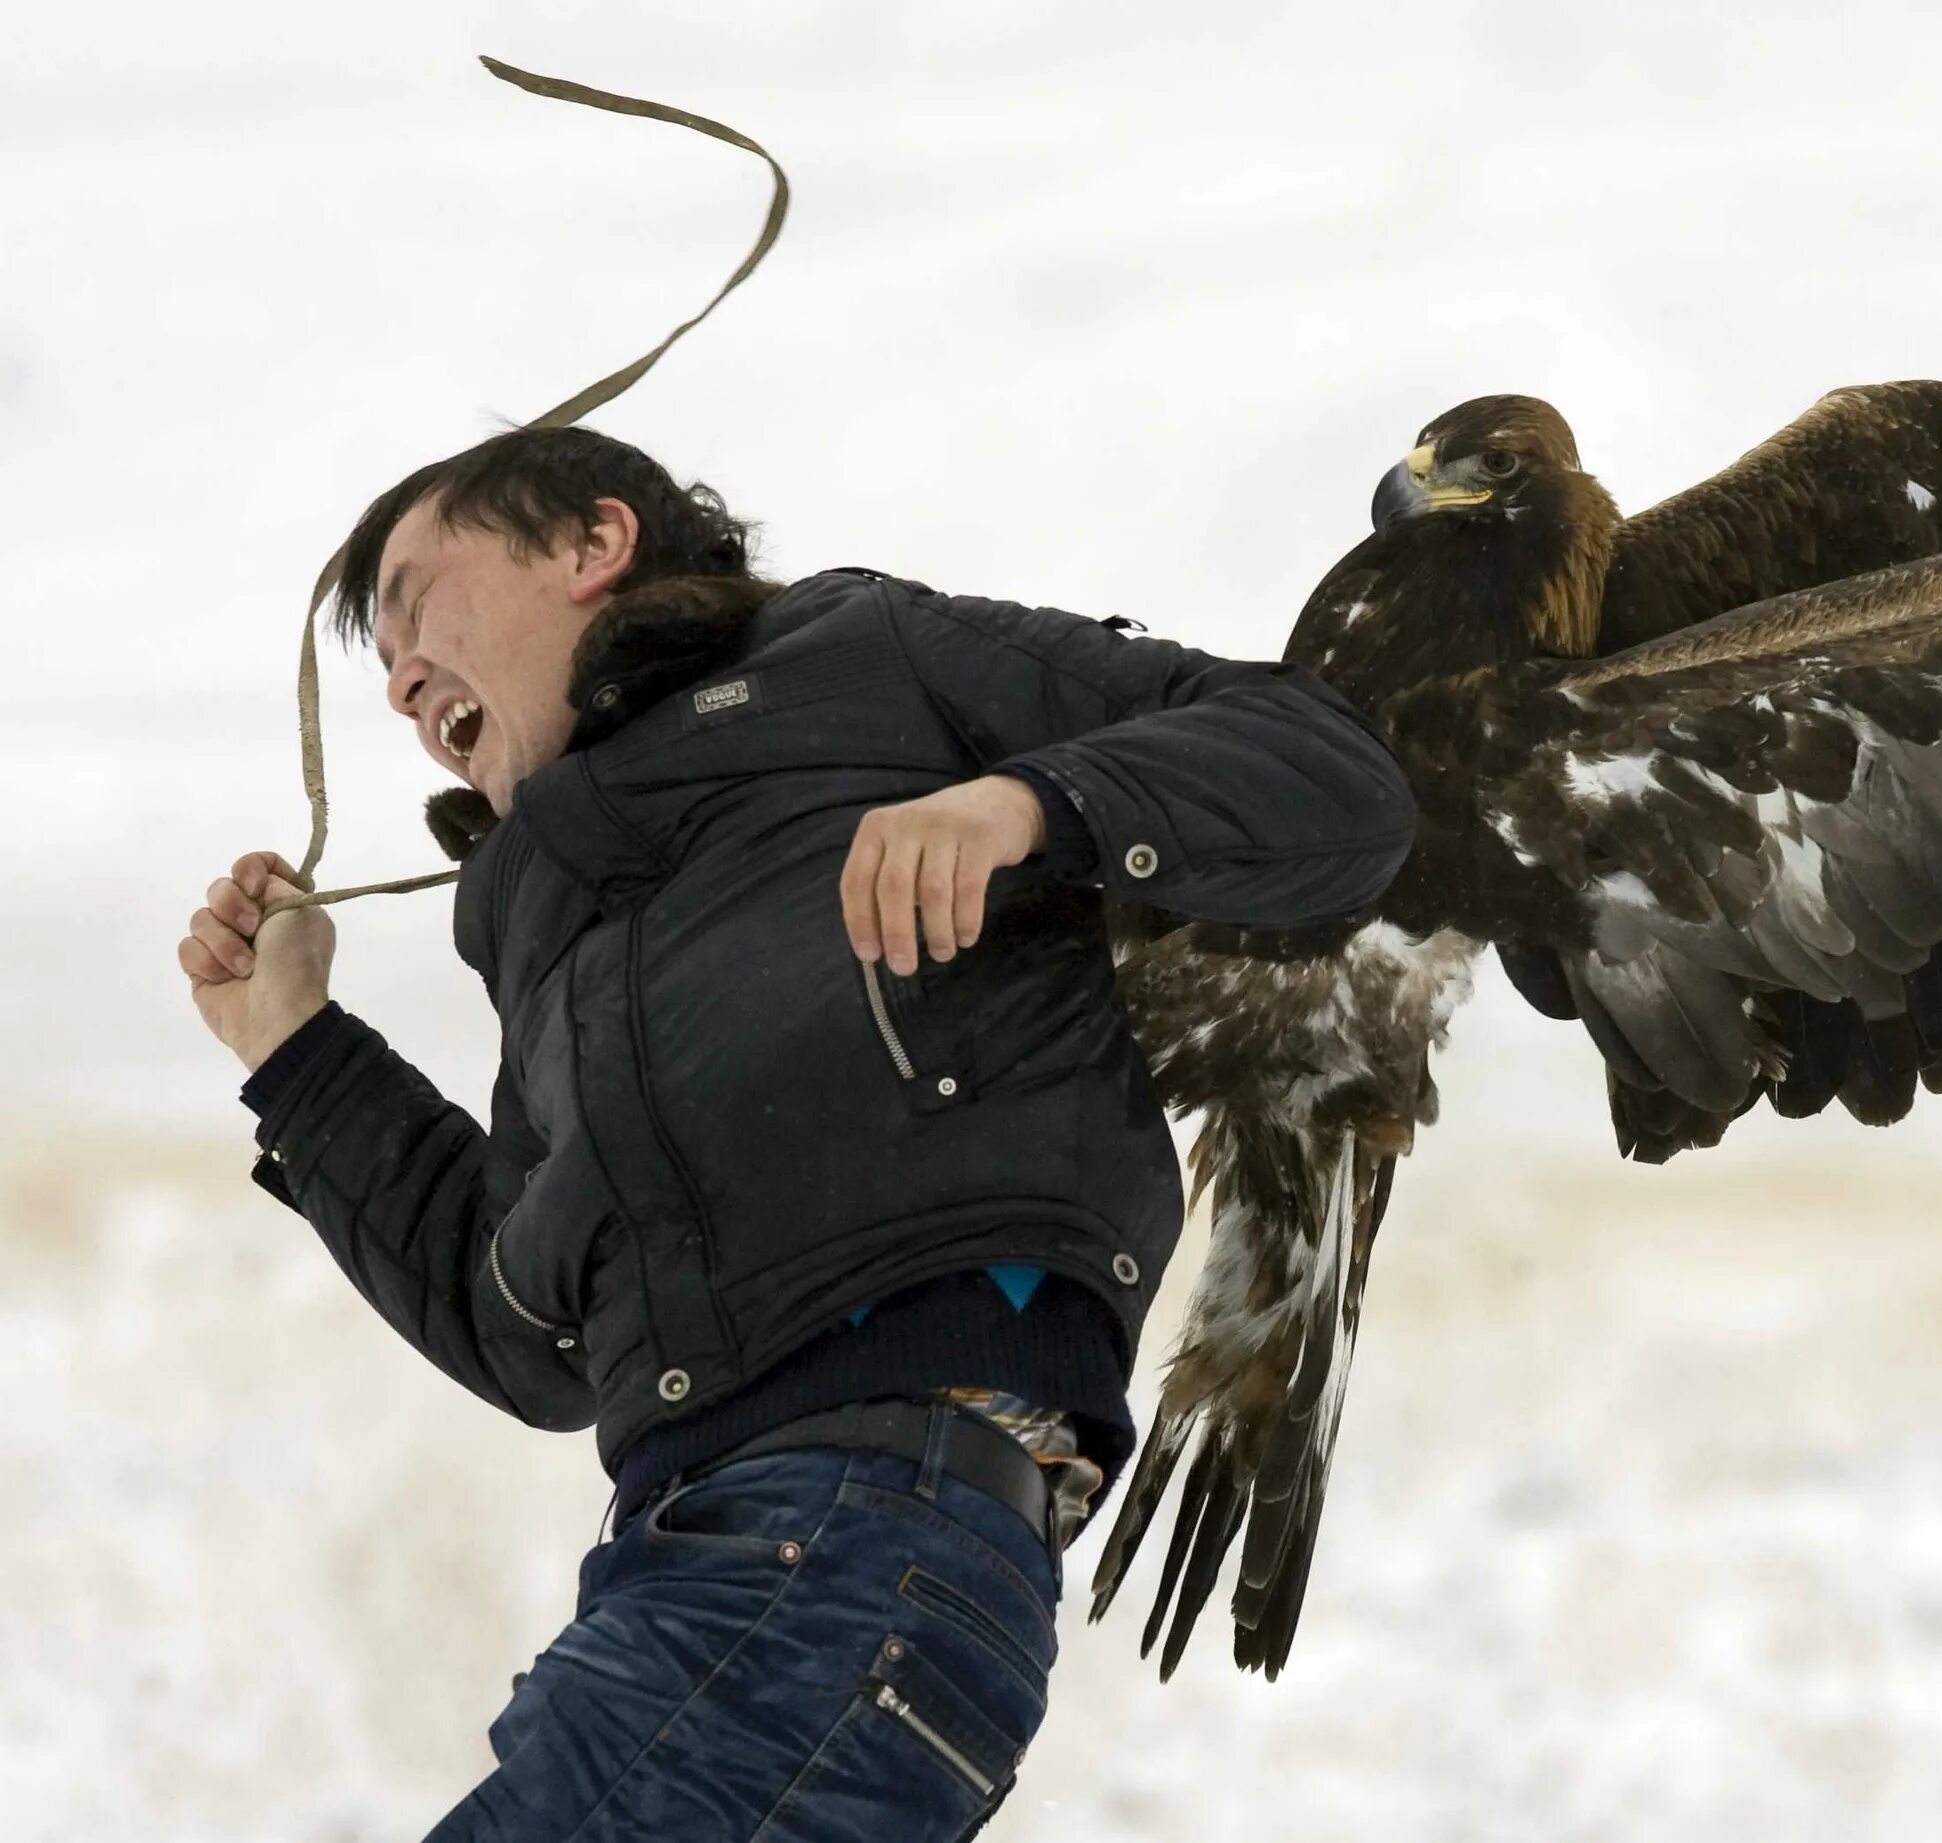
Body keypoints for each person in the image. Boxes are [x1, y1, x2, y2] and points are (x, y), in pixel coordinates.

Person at [175, 425, 1418, 1840]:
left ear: (594, 546)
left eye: (418, 604)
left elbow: (1332, 772)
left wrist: (1033, 803)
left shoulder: (867, 655)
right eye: (380, 663)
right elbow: (523, 1330)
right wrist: (296, 1052)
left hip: (860, 1527)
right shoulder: (545, 922)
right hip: (707, 1568)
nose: (398, 680)